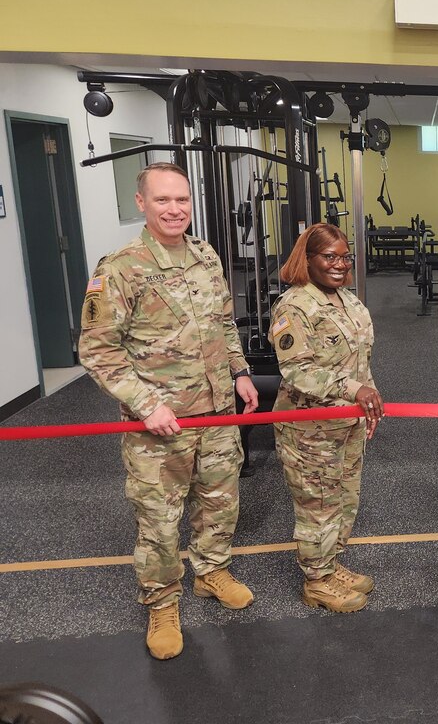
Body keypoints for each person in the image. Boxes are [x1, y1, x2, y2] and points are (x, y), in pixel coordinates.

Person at [79, 162, 259, 661]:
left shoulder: (205, 255)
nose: (174, 209)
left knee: (220, 501)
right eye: (163, 200)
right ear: (142, 203)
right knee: (159, 521)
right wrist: (145, 404)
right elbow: (98, 351)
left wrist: (240, 372)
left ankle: (212, 571)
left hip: (218, 411)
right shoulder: (120, 268)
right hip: (160, 422)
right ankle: (161, 601)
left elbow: (224, 323)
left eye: (181, 199)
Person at [270, 223, 384, 614]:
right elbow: (296, 371)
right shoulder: (295, 306)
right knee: (318, 504)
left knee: (344, 499)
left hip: (346, 423)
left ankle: (331, 564)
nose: (339, 264)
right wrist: (355, 391)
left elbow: (360, 362)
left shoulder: (348, 301)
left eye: (344, 256)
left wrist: (368, 402)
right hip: (308, 428)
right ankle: (316, 581)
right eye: (329, 257)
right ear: (309, 259)